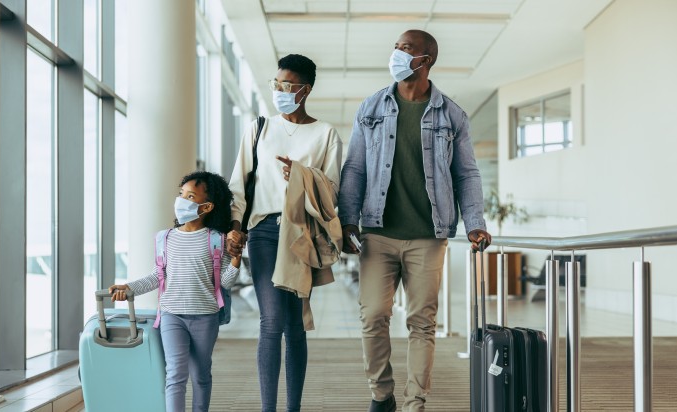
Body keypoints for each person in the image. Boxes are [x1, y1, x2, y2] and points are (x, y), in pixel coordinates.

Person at [338, 30, 493, 412]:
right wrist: (347, 221)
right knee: (373, 315)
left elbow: (467, 174)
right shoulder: (371, 108)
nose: (396, 53)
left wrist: (475, 220)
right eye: (395, 47)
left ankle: (414, 402)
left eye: (405, 49)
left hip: (429, 235)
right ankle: (381, 393)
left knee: (422, 322)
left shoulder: (451, 114)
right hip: (378, 233)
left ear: (426, 59)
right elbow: (354, 169)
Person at [228, 54, 343, 412]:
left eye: (287, 85)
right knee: (272, 320)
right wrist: (235, 226)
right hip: (264, 231)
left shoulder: (325, 134)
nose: (279, 90)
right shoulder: (259, 127)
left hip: (302, 233)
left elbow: (333, 190)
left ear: (305, 89)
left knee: (294, 324)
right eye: (275, 84)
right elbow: (238, 184)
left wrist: (303, 174)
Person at [109, 171, 242, 412]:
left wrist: (235, 260)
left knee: (201, 375)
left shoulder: (216, 240)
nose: (181, 201)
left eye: (190, 196)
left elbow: (226, 282)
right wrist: (128, 288)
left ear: (207, 206)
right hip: (172, 316)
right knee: (175, 375)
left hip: (205, 317)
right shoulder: (165, 239)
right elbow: (155, 277)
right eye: (181, 194)